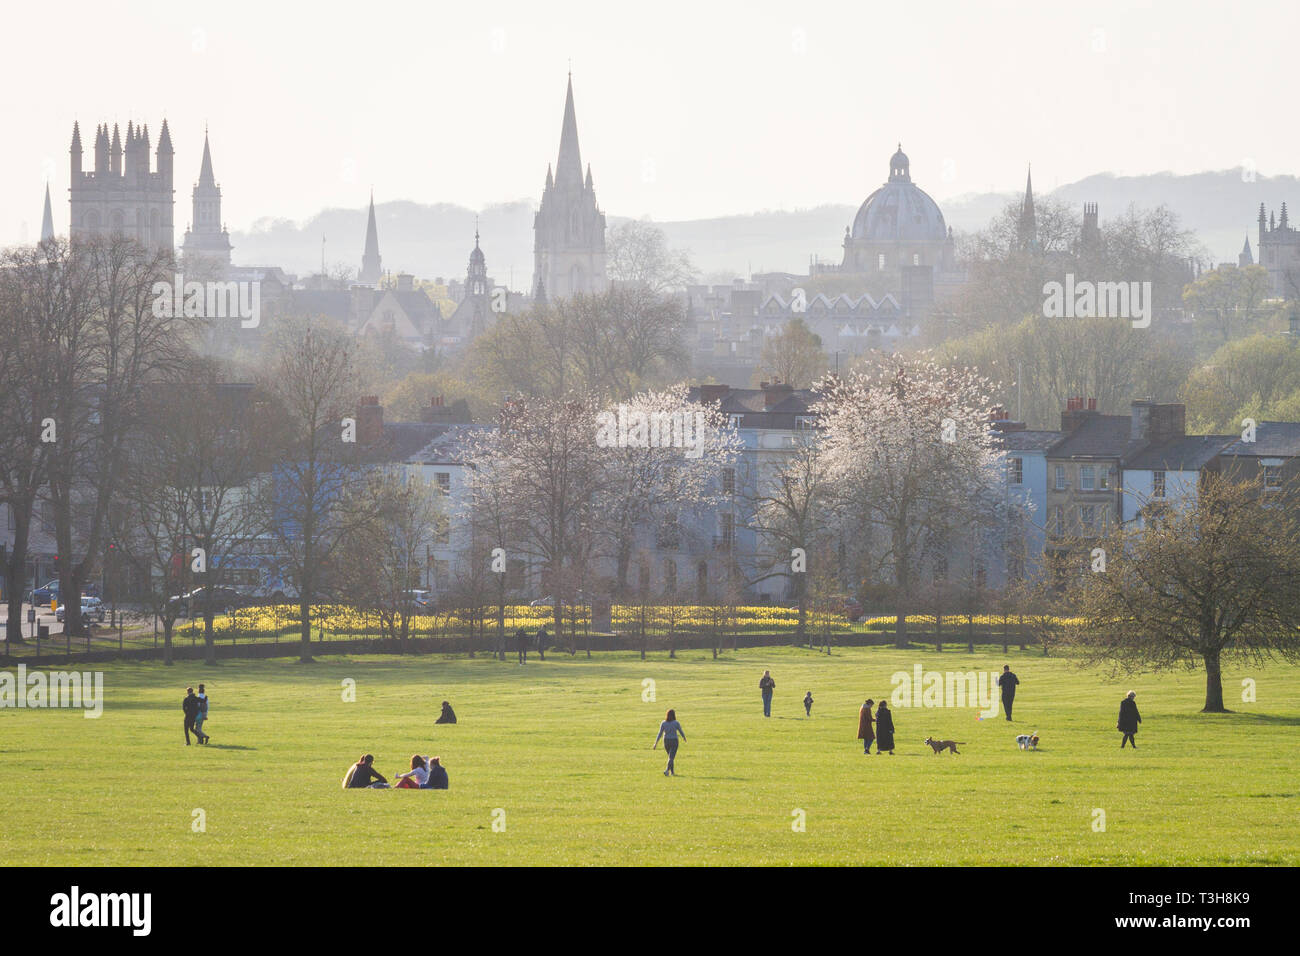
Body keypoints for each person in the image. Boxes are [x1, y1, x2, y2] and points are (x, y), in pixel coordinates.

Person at [653, 708, 686, 776]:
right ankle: (667, 770)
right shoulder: (676, 723)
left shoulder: (663, 723)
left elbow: (660, 733)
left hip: (666, 741)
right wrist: (684, 737)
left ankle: (672, 772)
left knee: (670, 757)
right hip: (674, 740)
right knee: (671, 757)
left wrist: (656, 743)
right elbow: (680, 730)